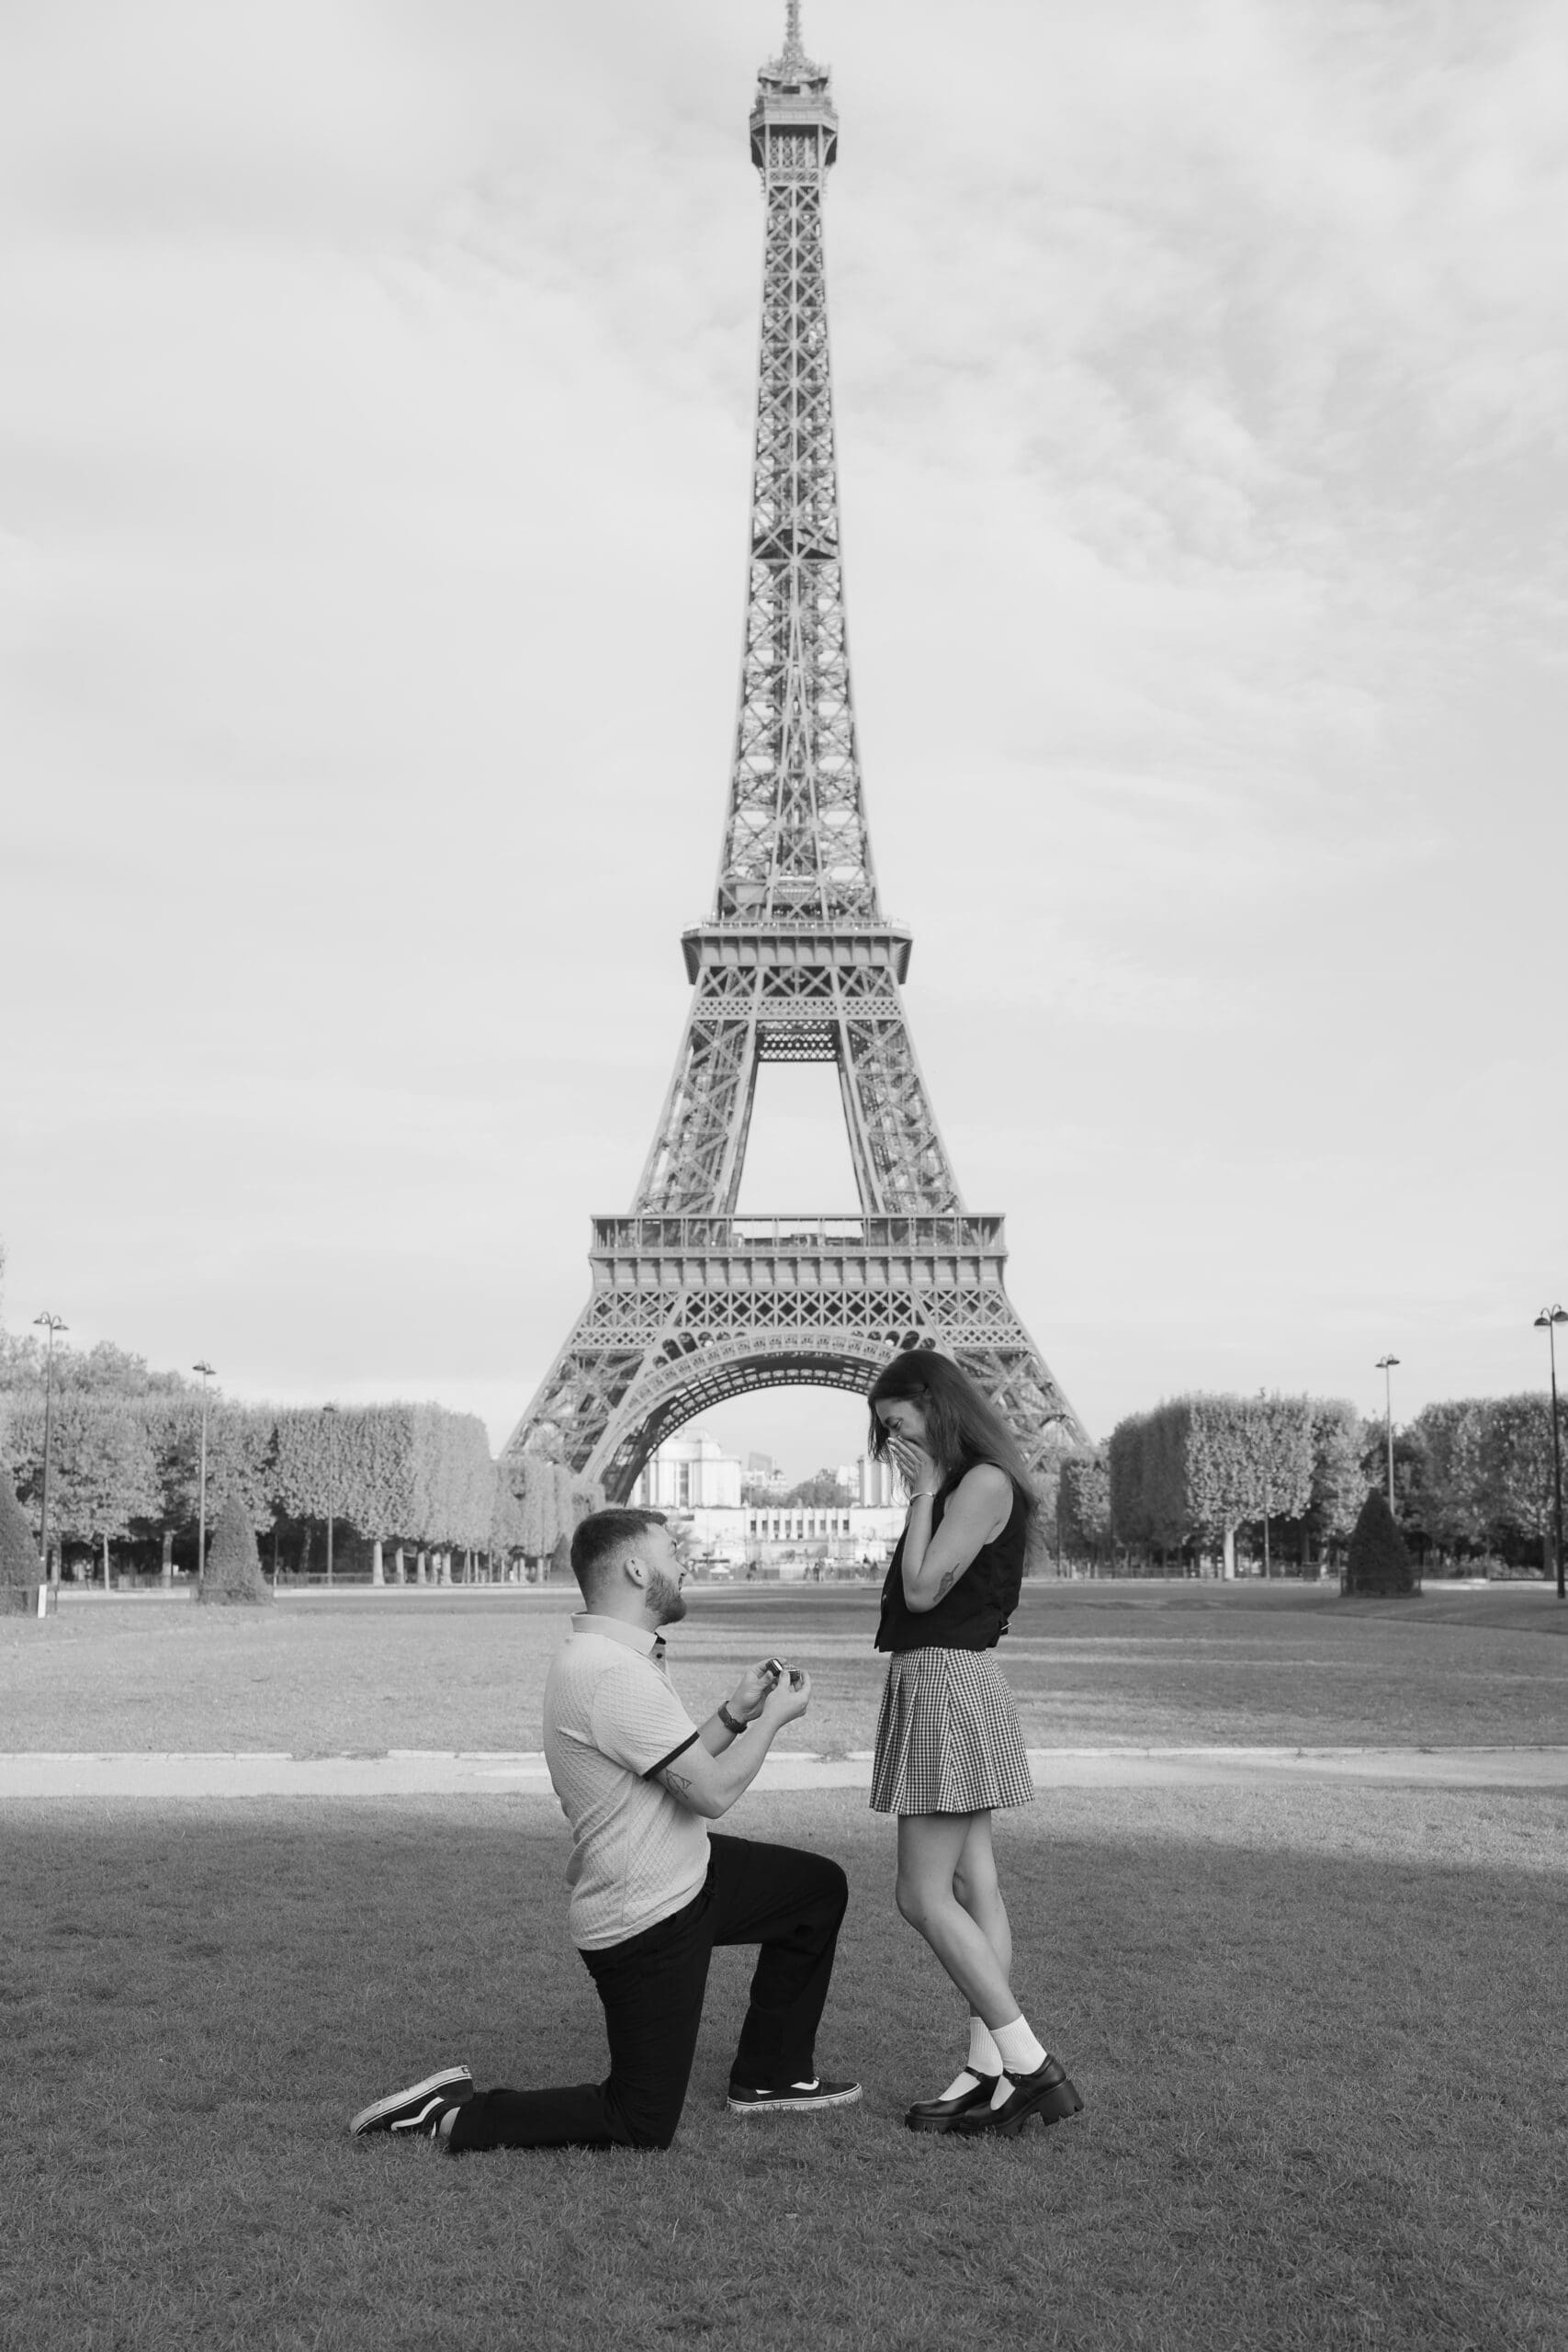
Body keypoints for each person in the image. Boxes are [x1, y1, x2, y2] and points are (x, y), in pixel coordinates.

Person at [349, 1507, 859, 2153]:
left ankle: (770, 2076)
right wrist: (775, 1720)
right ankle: (449, 2115)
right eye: (673, 1551)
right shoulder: (612, 1673)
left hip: (686, 1870)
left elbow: (671, 1765)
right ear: (637, 1568)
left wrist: (736, 1712)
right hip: (645, 1914)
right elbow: (711, 1793)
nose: (684, 1564)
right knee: (639, 2121)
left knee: (815, 1890)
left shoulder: (609, 1655)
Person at [866, 1349, 1083, 2140]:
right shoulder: (968, 1483)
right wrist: (926, 1493)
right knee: (972, 1885)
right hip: (944, 1681)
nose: (894, 1443)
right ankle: (985, 2070)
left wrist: (923, 1494)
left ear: (935, 1404)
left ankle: (1029, 2067)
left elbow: (922, 1590)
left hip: (944, 1684)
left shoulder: (979, 1483)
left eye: (899, 1424)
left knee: (920, 1896)